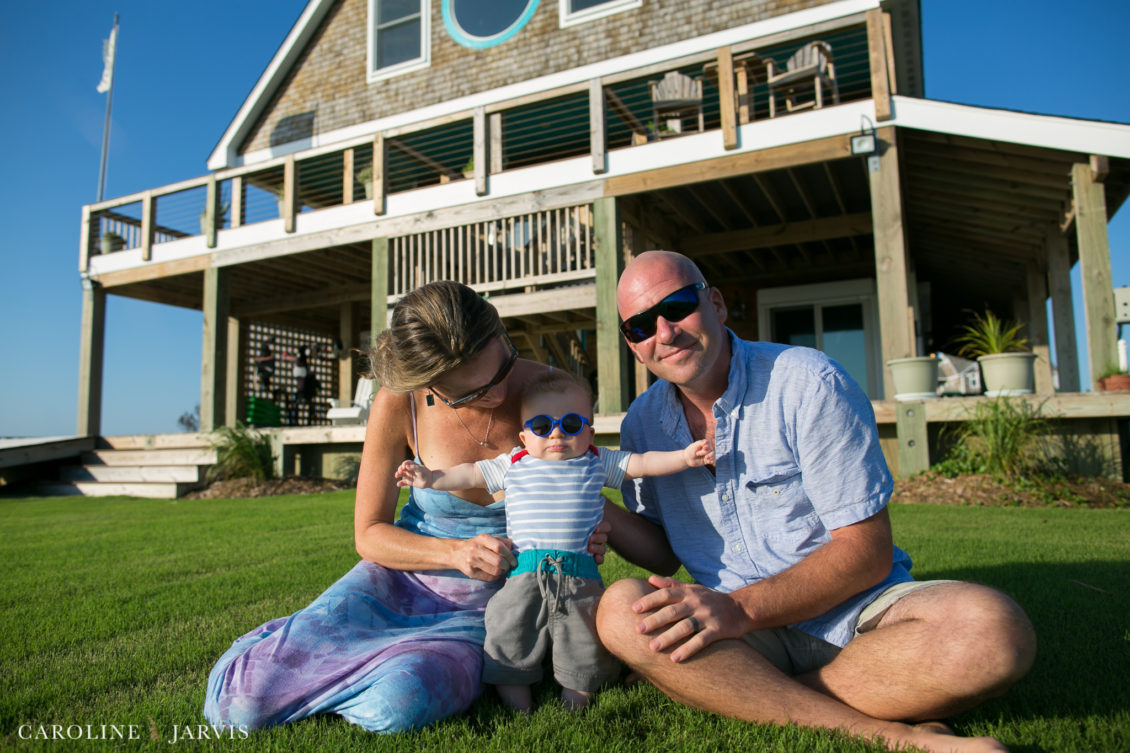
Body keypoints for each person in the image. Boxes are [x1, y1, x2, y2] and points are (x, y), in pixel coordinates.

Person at [595, 251, 1037, 753]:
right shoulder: (641, 424)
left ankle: (735, 692)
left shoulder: (808, 382)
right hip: (741, 633)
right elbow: (662, 553)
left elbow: (865, 552)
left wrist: (739, 609)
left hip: (859, 614)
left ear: (715, 304)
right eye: (639, 326)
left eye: (676, 306)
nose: (664, 332)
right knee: (620, 611)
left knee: (994, 632)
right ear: (633, 345)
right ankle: (897, 732)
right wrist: (593, 502)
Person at [204, 281, 605, 733]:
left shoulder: (554, 396)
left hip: (499, 602)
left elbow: (592, 492)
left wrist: (585, 532)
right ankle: (308, 647)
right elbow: (369, 533)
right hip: (401, 578)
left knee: (400, 705)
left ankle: (372, 672)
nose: (494, 396)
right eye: (468, 394)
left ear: (499, 334)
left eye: (500, 371)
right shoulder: (400, 402)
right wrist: (454, 553)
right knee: (243, 706)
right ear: (428, 384)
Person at [394, 370, 713, 713]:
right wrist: (429, 478)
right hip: (523, 571)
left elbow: (642, 462)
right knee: (509, 631)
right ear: (523, 436)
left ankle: (577, 695)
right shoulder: (514, 463)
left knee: (583, 639)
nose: (557, 433)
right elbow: (469, 472)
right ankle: (517, 699)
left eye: (572, 424)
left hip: (580, 573)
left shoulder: (595, 460)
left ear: (589, 432)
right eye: (542, 426)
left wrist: (683, 458)